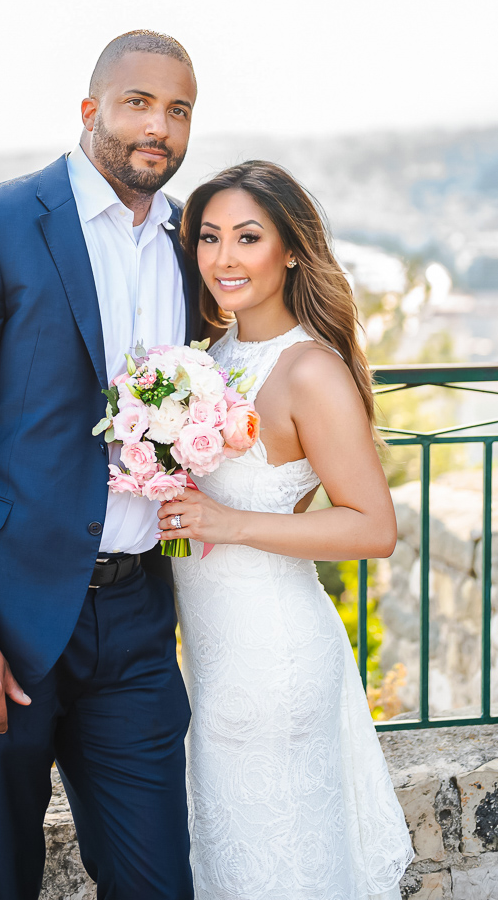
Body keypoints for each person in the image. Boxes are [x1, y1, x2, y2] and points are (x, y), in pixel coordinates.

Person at [0, 30, 201, 900]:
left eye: (179, 110)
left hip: (136, 620)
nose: (160, 127)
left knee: (156, 881)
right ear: (89, 110)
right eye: (139, 102)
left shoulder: (187, 246)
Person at [157, 161, 414, 900]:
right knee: (231, 863)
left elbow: (373, 527)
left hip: (273, 661)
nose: (223, 259)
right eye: (208, 238)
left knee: (281, 866)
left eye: (246, 237)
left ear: (291, 249)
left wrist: (228, 521)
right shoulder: (207, 363)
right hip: (209, 654)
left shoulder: (307, 370)